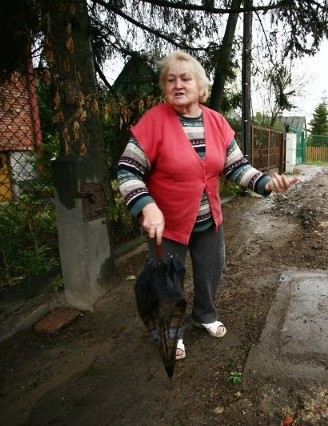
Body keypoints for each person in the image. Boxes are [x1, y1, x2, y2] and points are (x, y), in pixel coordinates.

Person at [116, 50, 298, 361]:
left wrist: (267, 183)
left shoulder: (216, 122)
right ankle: (172, 333)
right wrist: (147, 207)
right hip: (167, 224)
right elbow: (127, 170)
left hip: (208, 219)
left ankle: (204, 314)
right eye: (170, 79)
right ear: (164, 87)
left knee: (211, 271)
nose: (178, 84)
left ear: (200, 86)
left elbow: (237, 167)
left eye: (185, 78)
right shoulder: (154, 122)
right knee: (168, 281)